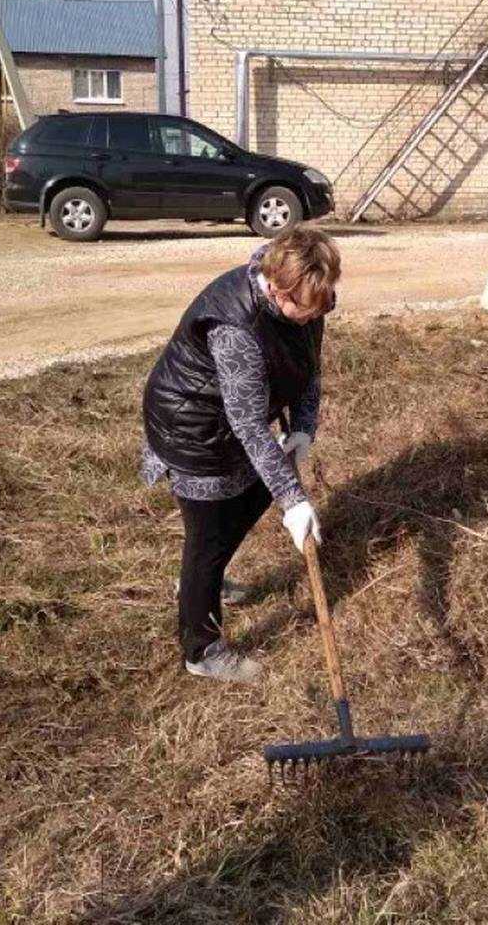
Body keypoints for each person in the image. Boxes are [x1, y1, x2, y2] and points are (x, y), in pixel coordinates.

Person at [142, 226, 339, 684]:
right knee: (207, 538)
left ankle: (202, 582)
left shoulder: (310, 301)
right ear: (277, 288)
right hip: (192, 426)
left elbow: (310, 370)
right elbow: (249, 425)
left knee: (255, 492)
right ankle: (202, 648)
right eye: (304, 308)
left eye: (322, 306)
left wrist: (304, 428)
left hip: (233, 420)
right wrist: (294, 499)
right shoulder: (237, 330)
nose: (314, 317)